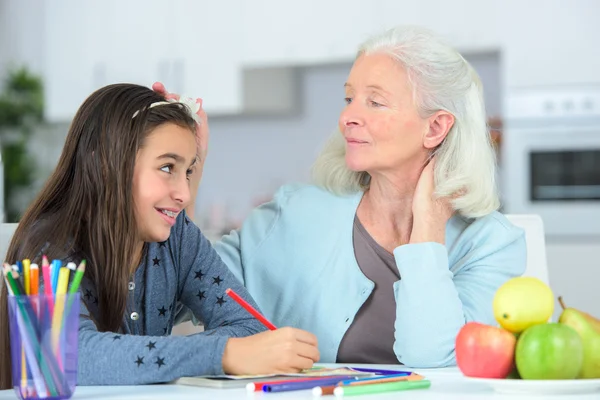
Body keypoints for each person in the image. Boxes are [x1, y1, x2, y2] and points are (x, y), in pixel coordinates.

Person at [161, 25, 527, 368]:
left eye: (375, 102)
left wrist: (428, 224)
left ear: (435, 127)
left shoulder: (492, 244)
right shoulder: (295, 214)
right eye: (349, 98)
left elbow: (433, 355)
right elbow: (177, 293)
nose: (347, 116)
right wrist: (187, 167)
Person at [0, 83, 320, 389]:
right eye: (168, 167)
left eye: (189, 172)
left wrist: (232, 350)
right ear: (104, 165)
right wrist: (223, 353)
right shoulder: (50, 245)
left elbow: (252, 330)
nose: (183, 193)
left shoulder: (177, 239)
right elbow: (67, 355)